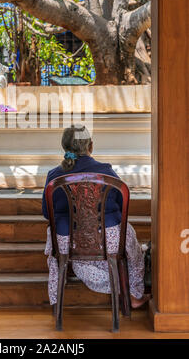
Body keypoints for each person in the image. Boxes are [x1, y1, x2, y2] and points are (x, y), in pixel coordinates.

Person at [42, 124, 150, 309]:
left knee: (59, 258)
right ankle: (133, 294)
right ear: (90, 146)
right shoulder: (106, 171)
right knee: (133, 252)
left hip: (68, 243)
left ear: (65, 148)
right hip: (109, 239)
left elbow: (46, 213)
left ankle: (56, 302)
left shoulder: (54, 176)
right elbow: (121, 204)